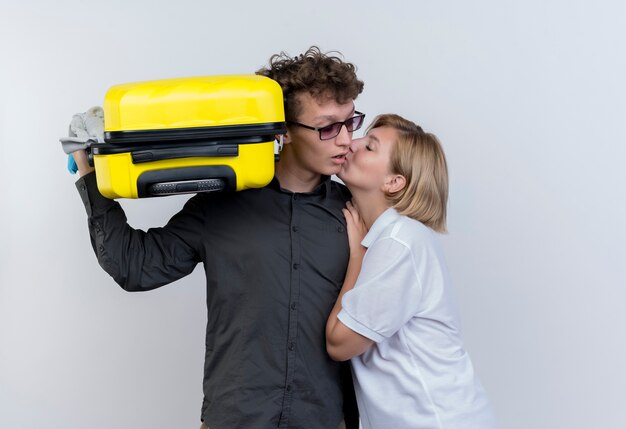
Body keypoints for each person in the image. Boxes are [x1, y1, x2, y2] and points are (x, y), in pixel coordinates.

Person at [68, 46, 364, 429]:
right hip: (235, 419)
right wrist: (90, 175)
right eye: (327, 127)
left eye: (350, 122)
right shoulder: (221, 204)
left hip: (324, 420)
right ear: (285, 132)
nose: (345, 141)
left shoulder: (356, 215)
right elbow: (134, 267)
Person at [325, 114, 498, 429]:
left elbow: (340, 343)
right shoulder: (395, 237)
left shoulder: (400, 241)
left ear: (394, 181)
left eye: (370, 146)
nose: (353, 141)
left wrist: (357, 255)